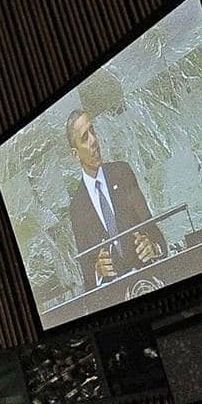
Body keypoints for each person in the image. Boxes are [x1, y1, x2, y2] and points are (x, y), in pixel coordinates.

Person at [63, 107, 159, 288]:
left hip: (149, 282)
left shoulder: (122, 173)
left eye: (93, 131)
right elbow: (87, 273)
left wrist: (153, 246)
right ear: (75, 154)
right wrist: (98, 271)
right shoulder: (77, 207)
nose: (94, 141)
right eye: (85, 138)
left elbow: (153, 229)